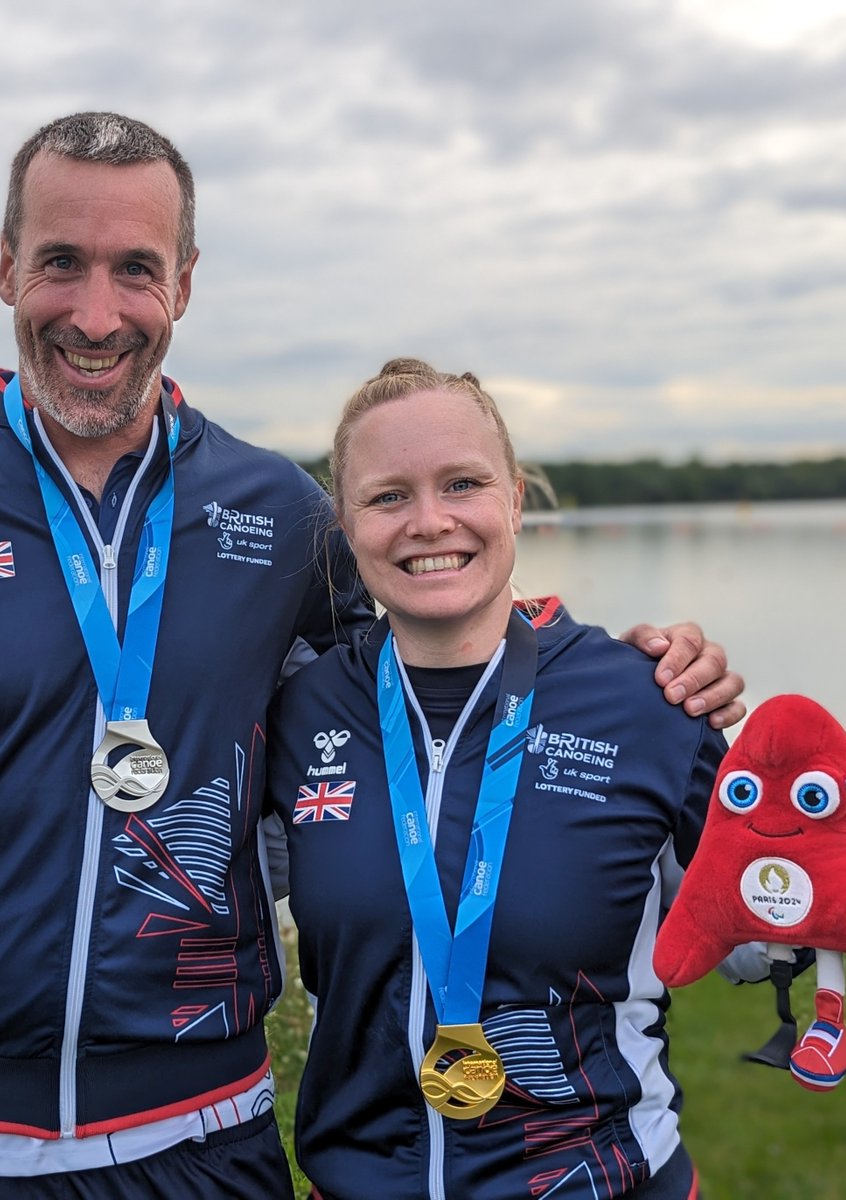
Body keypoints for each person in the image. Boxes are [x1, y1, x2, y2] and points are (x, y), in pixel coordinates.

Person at [0, 117, 743, 1199]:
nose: (96, 312)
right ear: (4, 269)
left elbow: (436, 672)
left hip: (203, 1140)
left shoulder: (279, 512)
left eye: (136, 269)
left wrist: (640, 678)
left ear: (183, 283)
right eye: (60, 264)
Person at [266, 359, 736, 1200]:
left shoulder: (651, 701)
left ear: (515, 498)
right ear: (343, 521)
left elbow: (769, 933)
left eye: (462, 483)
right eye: (388, 496)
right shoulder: (300, 712)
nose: (430, 520)